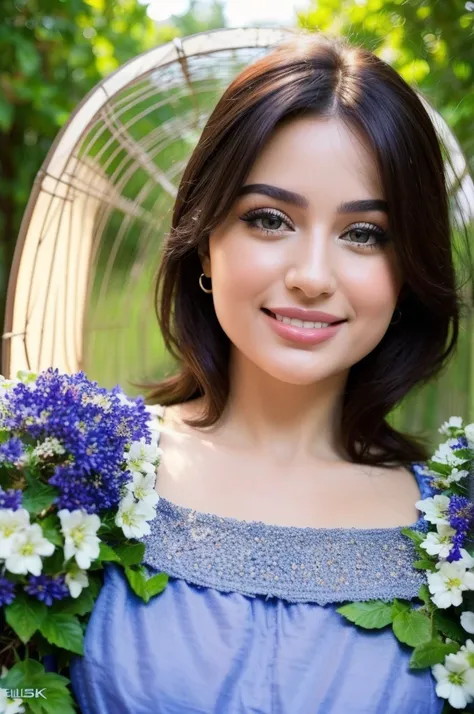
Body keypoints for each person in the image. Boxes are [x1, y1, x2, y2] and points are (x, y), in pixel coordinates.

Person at [69, 30, 471, 713]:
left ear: (408, 272)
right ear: (204, 243)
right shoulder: (71, 480)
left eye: (364, 234)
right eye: (269, 219)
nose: (312, 276)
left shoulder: (455, 529)